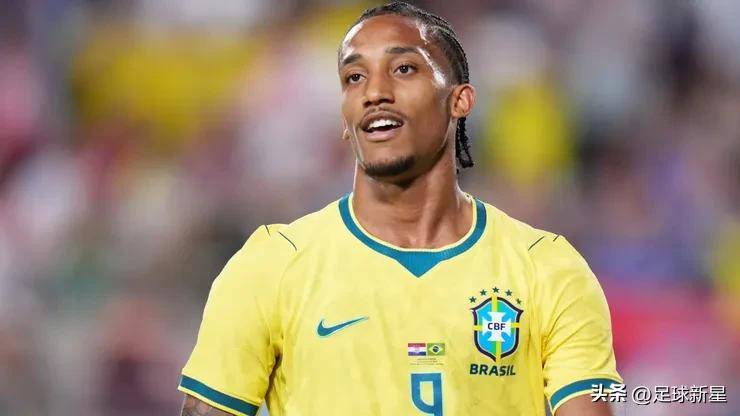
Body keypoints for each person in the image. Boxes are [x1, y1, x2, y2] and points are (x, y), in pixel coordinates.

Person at [178, 2, 621, 415]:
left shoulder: (549, 270)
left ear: (460, 100)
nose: (374, 92)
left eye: (404, 69)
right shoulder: (272, 265)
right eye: (354, 77)